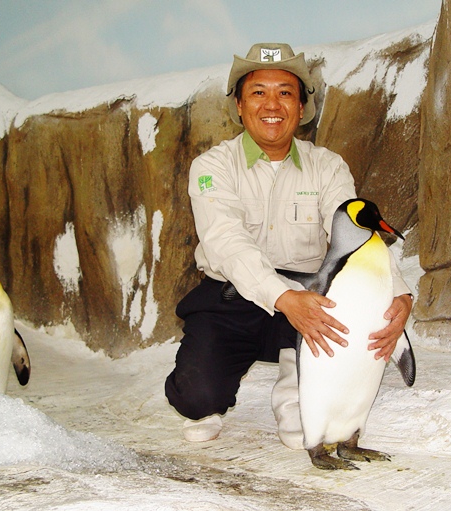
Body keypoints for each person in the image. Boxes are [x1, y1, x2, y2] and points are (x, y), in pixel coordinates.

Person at [164, 42, 413, 448]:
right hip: (232, 297)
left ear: (301, 108)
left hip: (309, 294)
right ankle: (231, 389)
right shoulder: (211, 168)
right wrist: (282, 298)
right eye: (258, 92)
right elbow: (226, 243)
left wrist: (398, 293)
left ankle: (294, 378)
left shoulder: (328, 166)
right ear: (240, 107)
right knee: (196, 395)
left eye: (285, 92)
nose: (271, 104)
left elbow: (355, 233)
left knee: (307, 416)